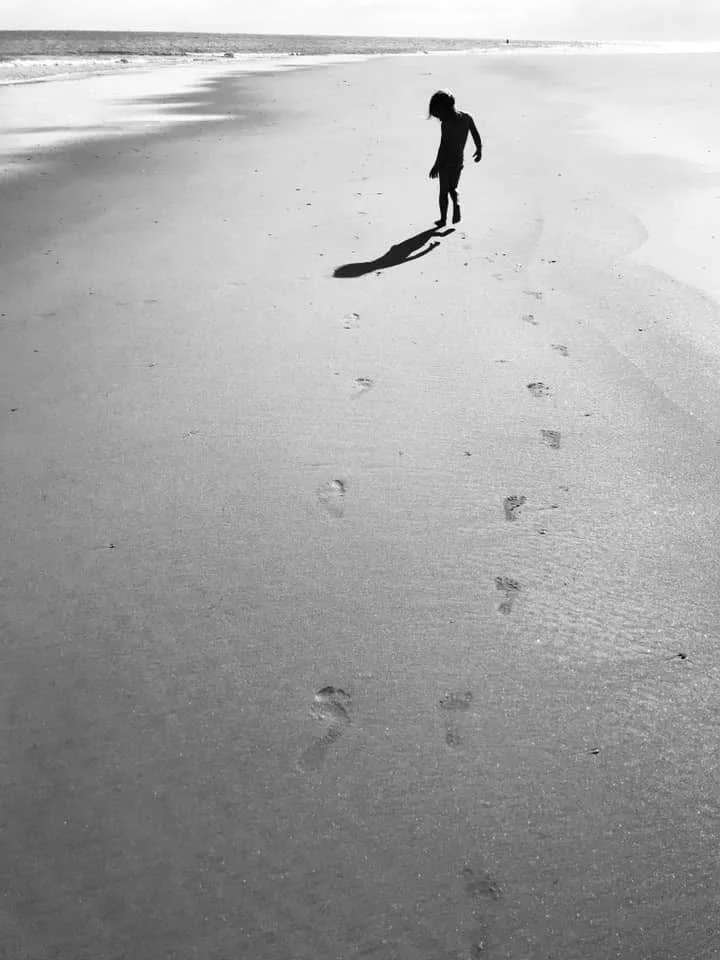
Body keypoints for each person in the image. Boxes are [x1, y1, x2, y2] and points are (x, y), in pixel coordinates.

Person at [428, 90, 482, 226]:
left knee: (443, 192)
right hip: (458, 161)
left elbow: (443, 146)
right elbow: (475, 134)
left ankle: (443, 219)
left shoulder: (446, 125)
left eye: (439, 115)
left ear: (445, 110)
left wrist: (436, 165)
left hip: (445, 163)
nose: (439, 119)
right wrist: (479, 149)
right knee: (453, 188)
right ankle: (456, 204)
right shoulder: (467, 118)